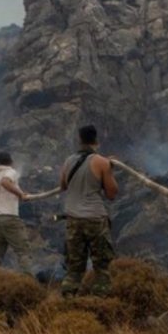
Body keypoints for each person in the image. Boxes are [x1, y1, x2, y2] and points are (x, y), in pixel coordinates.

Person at [59, 125, 118, 295]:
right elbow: (112, 193)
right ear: (96, 140)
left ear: (80, 140)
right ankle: (101, 303)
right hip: (95, 219)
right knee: (102, 267)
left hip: (73, 220)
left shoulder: (68, 161)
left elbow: (63, 185)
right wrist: (108, 170)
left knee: (74, 268)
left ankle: (67, 302)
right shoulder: (101, 162)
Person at [0, 151, 33, 274]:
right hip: (9, 218)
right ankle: (30, 283)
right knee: (23, 252)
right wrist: (20, 194)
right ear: (11, 162)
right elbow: (5, 183)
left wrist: (21, 194)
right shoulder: (10, 172)